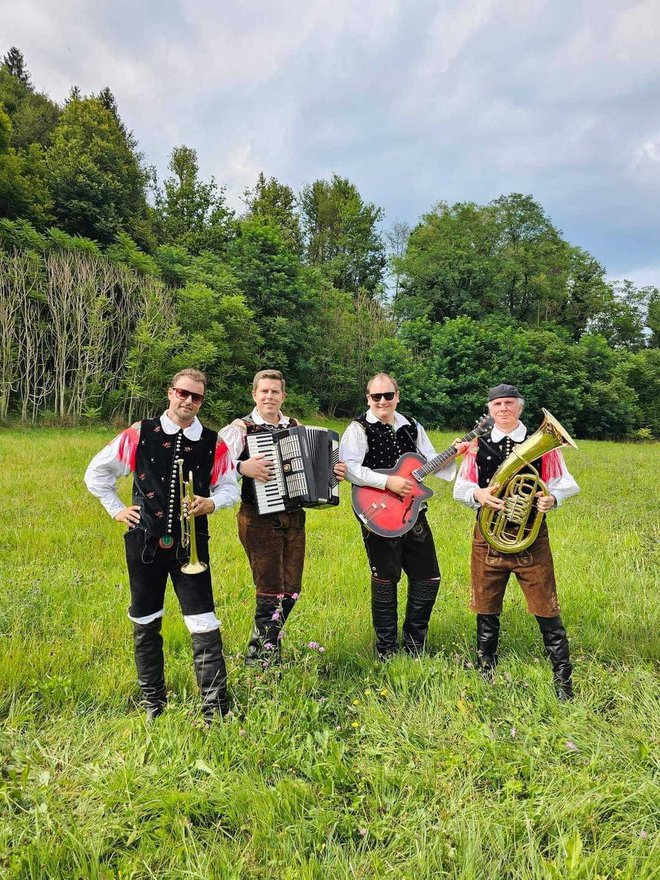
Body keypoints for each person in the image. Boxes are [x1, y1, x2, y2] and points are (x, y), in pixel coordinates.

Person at [85, 369, 239, 722]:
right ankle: (153, 703)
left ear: (202, 401)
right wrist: (116, 509)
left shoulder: (214, 442)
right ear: (171, 393)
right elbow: (96, 473)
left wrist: (212, 503)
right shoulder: (140, 433)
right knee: (146, 619)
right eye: (183, 393)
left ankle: (215, 710)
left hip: (191, 545)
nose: (188, 401)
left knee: (204, 621)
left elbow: (230, 486)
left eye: (196, 396)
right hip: (144, 543)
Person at [453, 383, 579, 700]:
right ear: (490, 409)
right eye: (497, 404)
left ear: (520, 407)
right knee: (486, 606)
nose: (504, 409)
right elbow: (461, 488)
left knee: (546, 607)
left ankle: (563, 682)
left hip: (531, 538)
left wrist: (552, 498)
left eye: (509, 403)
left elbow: (566, 485)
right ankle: (485, 671)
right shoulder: (477, 445)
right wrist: (478, 494)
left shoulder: (544, 446)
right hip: (489, 537)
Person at [220, 369, 346, 666]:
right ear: (254, 394)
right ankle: (263, 658)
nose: (269, 396)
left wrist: (333, 471)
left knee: (291, 591)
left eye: (275, 392)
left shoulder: (295, 426)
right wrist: (242, 468)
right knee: (270, 588)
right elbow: (214, 467)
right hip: (258, 518)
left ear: (283, 396)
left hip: (294, 517)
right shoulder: (241, 429)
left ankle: (261, 644)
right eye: (264, 391)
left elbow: (318, 465)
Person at [339, 373, 464, 659]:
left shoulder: (412, 426)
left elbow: (429, 460)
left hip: (412, 511)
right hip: (377, 509)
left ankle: (414, 644)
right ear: (368, 398)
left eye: (388, 395)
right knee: (385, 577)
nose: (382, 401)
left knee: (428, 576)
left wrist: (455, 453)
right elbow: (349, 468)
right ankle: (386, 649)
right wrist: (388, 482)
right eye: (376, 397)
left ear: (397, 396)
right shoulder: (358, 428)